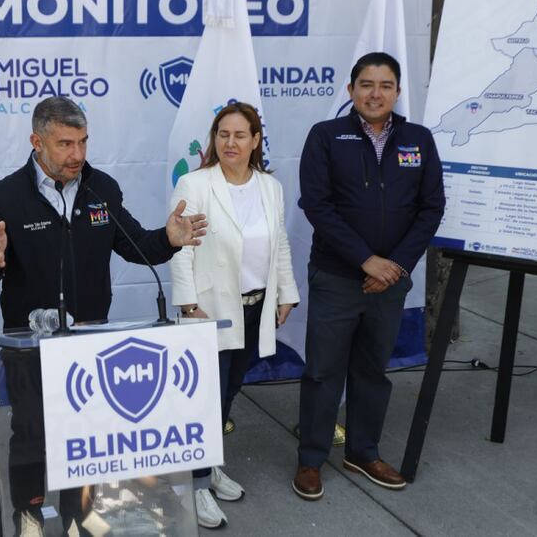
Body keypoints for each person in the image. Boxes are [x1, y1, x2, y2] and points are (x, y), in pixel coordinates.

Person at [0, 96, 207, 536]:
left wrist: (169, 239)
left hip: (91, 342)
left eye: (82, 142)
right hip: (30, 345)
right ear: (37, 142)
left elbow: (139, 246)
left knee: (86, 435)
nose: (77, 154)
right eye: (64, 144)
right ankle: (30, 512)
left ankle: (78, 513)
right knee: (33, 434)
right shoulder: (4, 197)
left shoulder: (102, 190)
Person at [293, 52, 445, 501]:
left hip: (390, 282)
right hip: (337, 277)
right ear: (351, 90)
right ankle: (310, 460)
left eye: (384, 85)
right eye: (365, 84)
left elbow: (431, 207)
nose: (374, 93)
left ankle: (363, 451)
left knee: (372, 370)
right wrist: (366, 260)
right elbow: (317, 205)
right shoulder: (326, 136)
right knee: (323, 371)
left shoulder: (418, 138)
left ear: (398, 91)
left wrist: (394, 266)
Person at [169, 102, 300, 528]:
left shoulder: (269, 187)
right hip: (210, 310)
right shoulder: (195, 182)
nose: (230, 142)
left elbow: (278, 243)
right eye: (223, 134)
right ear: (214, 139)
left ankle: (207, 468)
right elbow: (180, 247)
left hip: (256, 307)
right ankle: (195, 483)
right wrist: (189, 305)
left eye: (240, 135)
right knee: (204, 398)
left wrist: (286, 293)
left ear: (256, 140)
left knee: (227, 393)